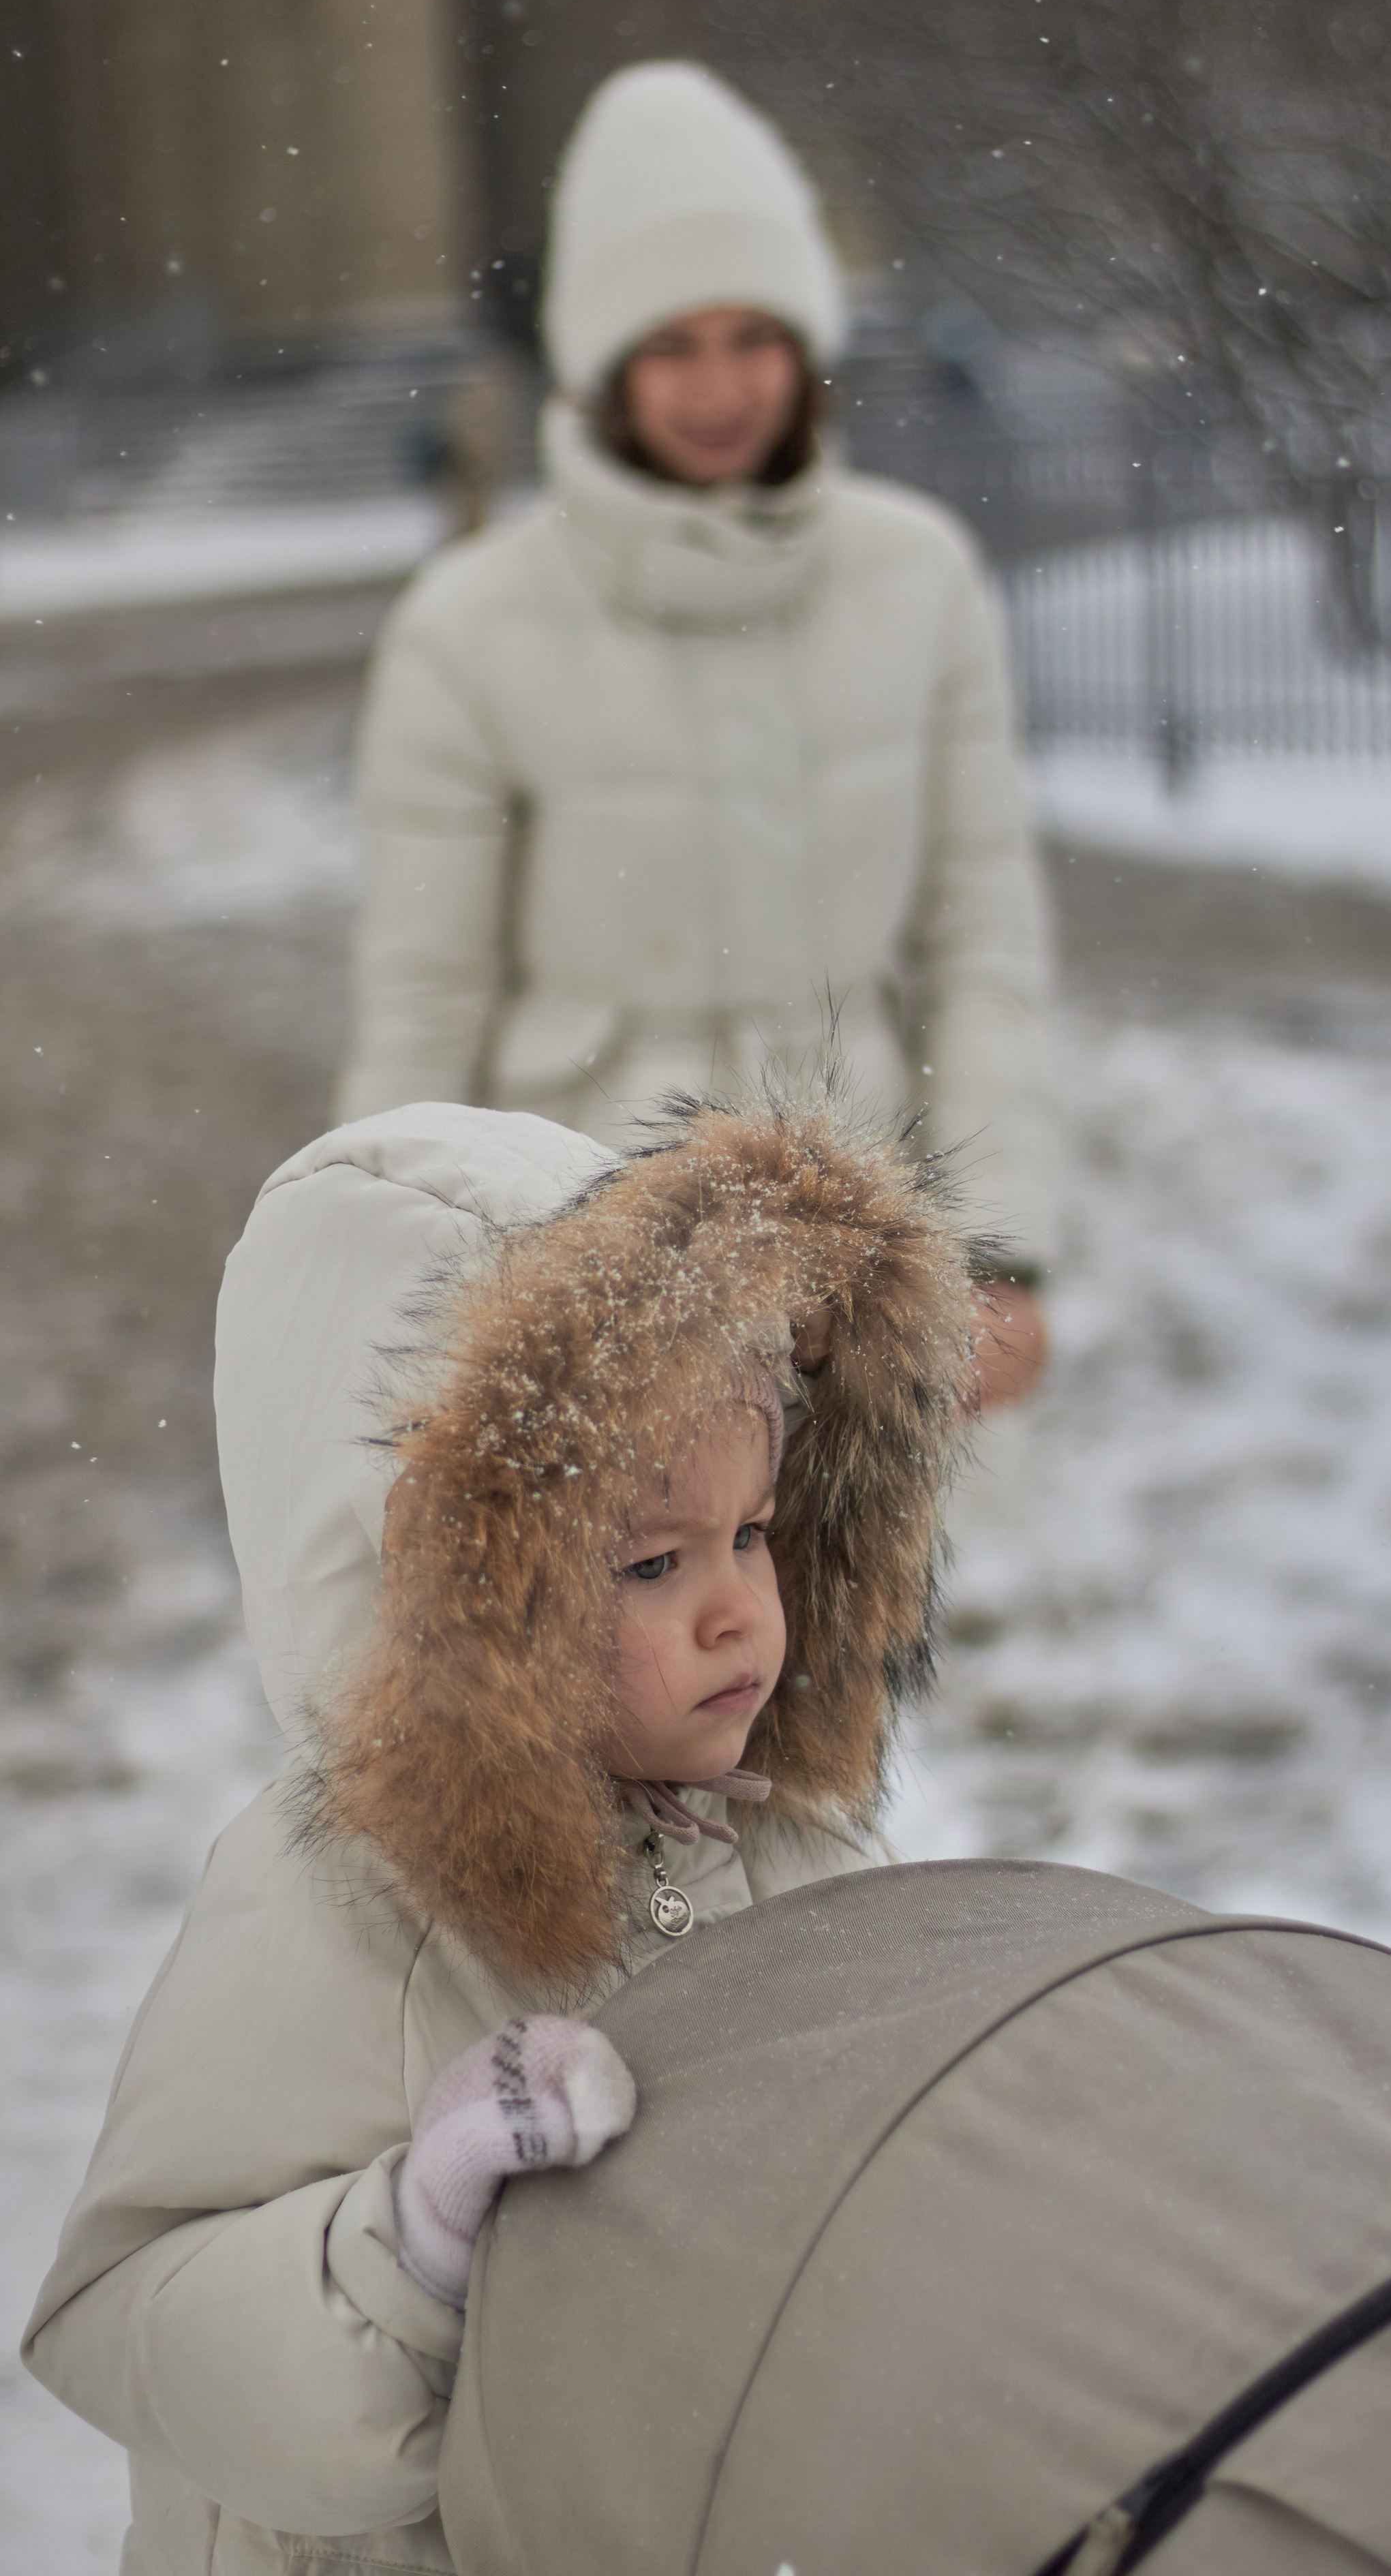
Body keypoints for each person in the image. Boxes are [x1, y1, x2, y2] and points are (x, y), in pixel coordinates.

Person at [23, 1088, 979, 2573]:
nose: (739, 1605)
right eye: (654, 1560)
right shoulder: (337, 1907)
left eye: (753, 1534)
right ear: (459, 1594)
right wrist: (415, 2249)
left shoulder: (796, 1856)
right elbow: (125, 2318)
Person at [333, 59, 1052, 1407]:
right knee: (651, 1615)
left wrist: (1002, 1248)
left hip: (867, 1276)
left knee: (857, 1621)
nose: (721, 386)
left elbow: (978, 942)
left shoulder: (920, 580)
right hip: (579, 1275)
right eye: (671, 344)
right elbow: (422, 1012)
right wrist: (390, 1316)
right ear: (604, 367)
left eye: (754, 336)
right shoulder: (468, 628)